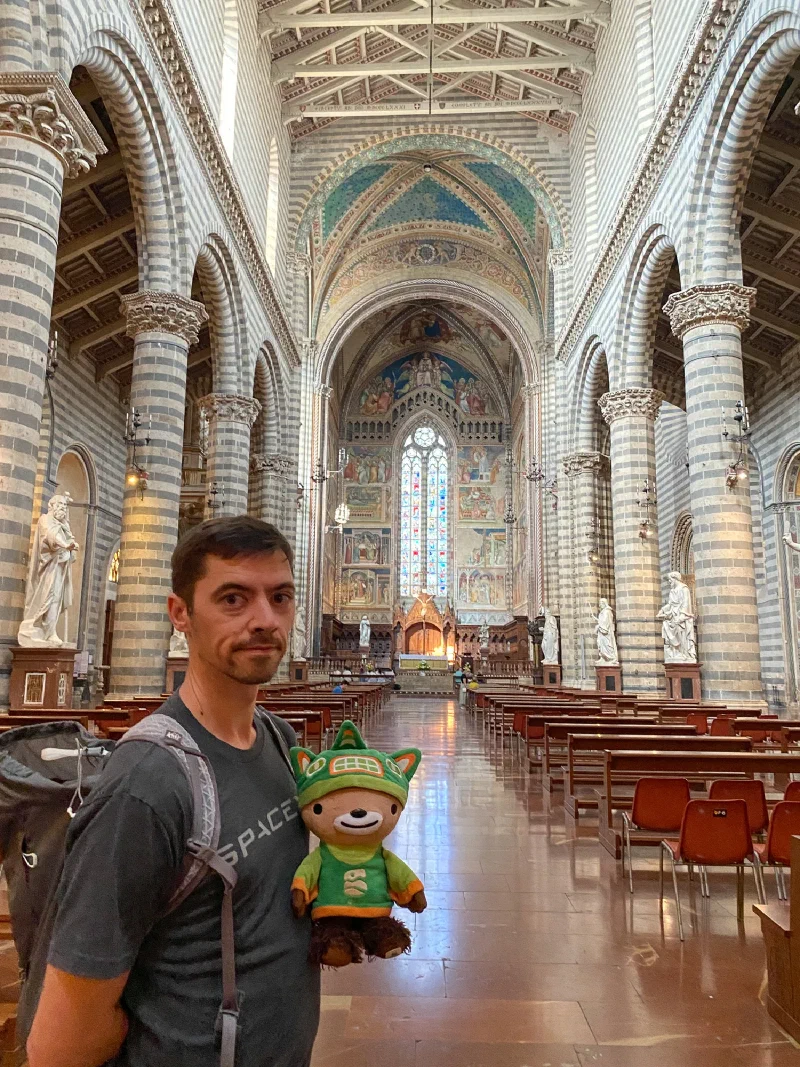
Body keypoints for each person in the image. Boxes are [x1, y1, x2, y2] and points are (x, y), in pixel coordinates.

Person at [27, 517, 320, 1067]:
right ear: (179, 614)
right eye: (233, 598)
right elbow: (59, 1046)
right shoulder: (146, 787)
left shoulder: (280, 742)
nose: (265, 619)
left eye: (279, 597)